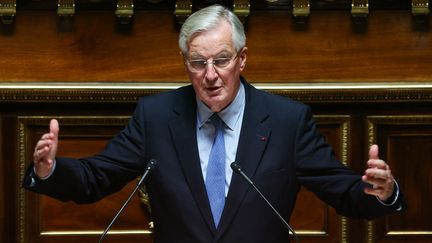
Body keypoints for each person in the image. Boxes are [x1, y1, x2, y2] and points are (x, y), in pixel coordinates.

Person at [23, 4, 406, 243]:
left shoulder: (288, 121)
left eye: (221, 60)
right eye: (197, 63)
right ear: (185, 63)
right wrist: (50, 169)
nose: (210, 75)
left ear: (242, 59)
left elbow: (343, 193)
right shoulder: (156, 117)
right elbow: (96, 177)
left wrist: (381, 191)